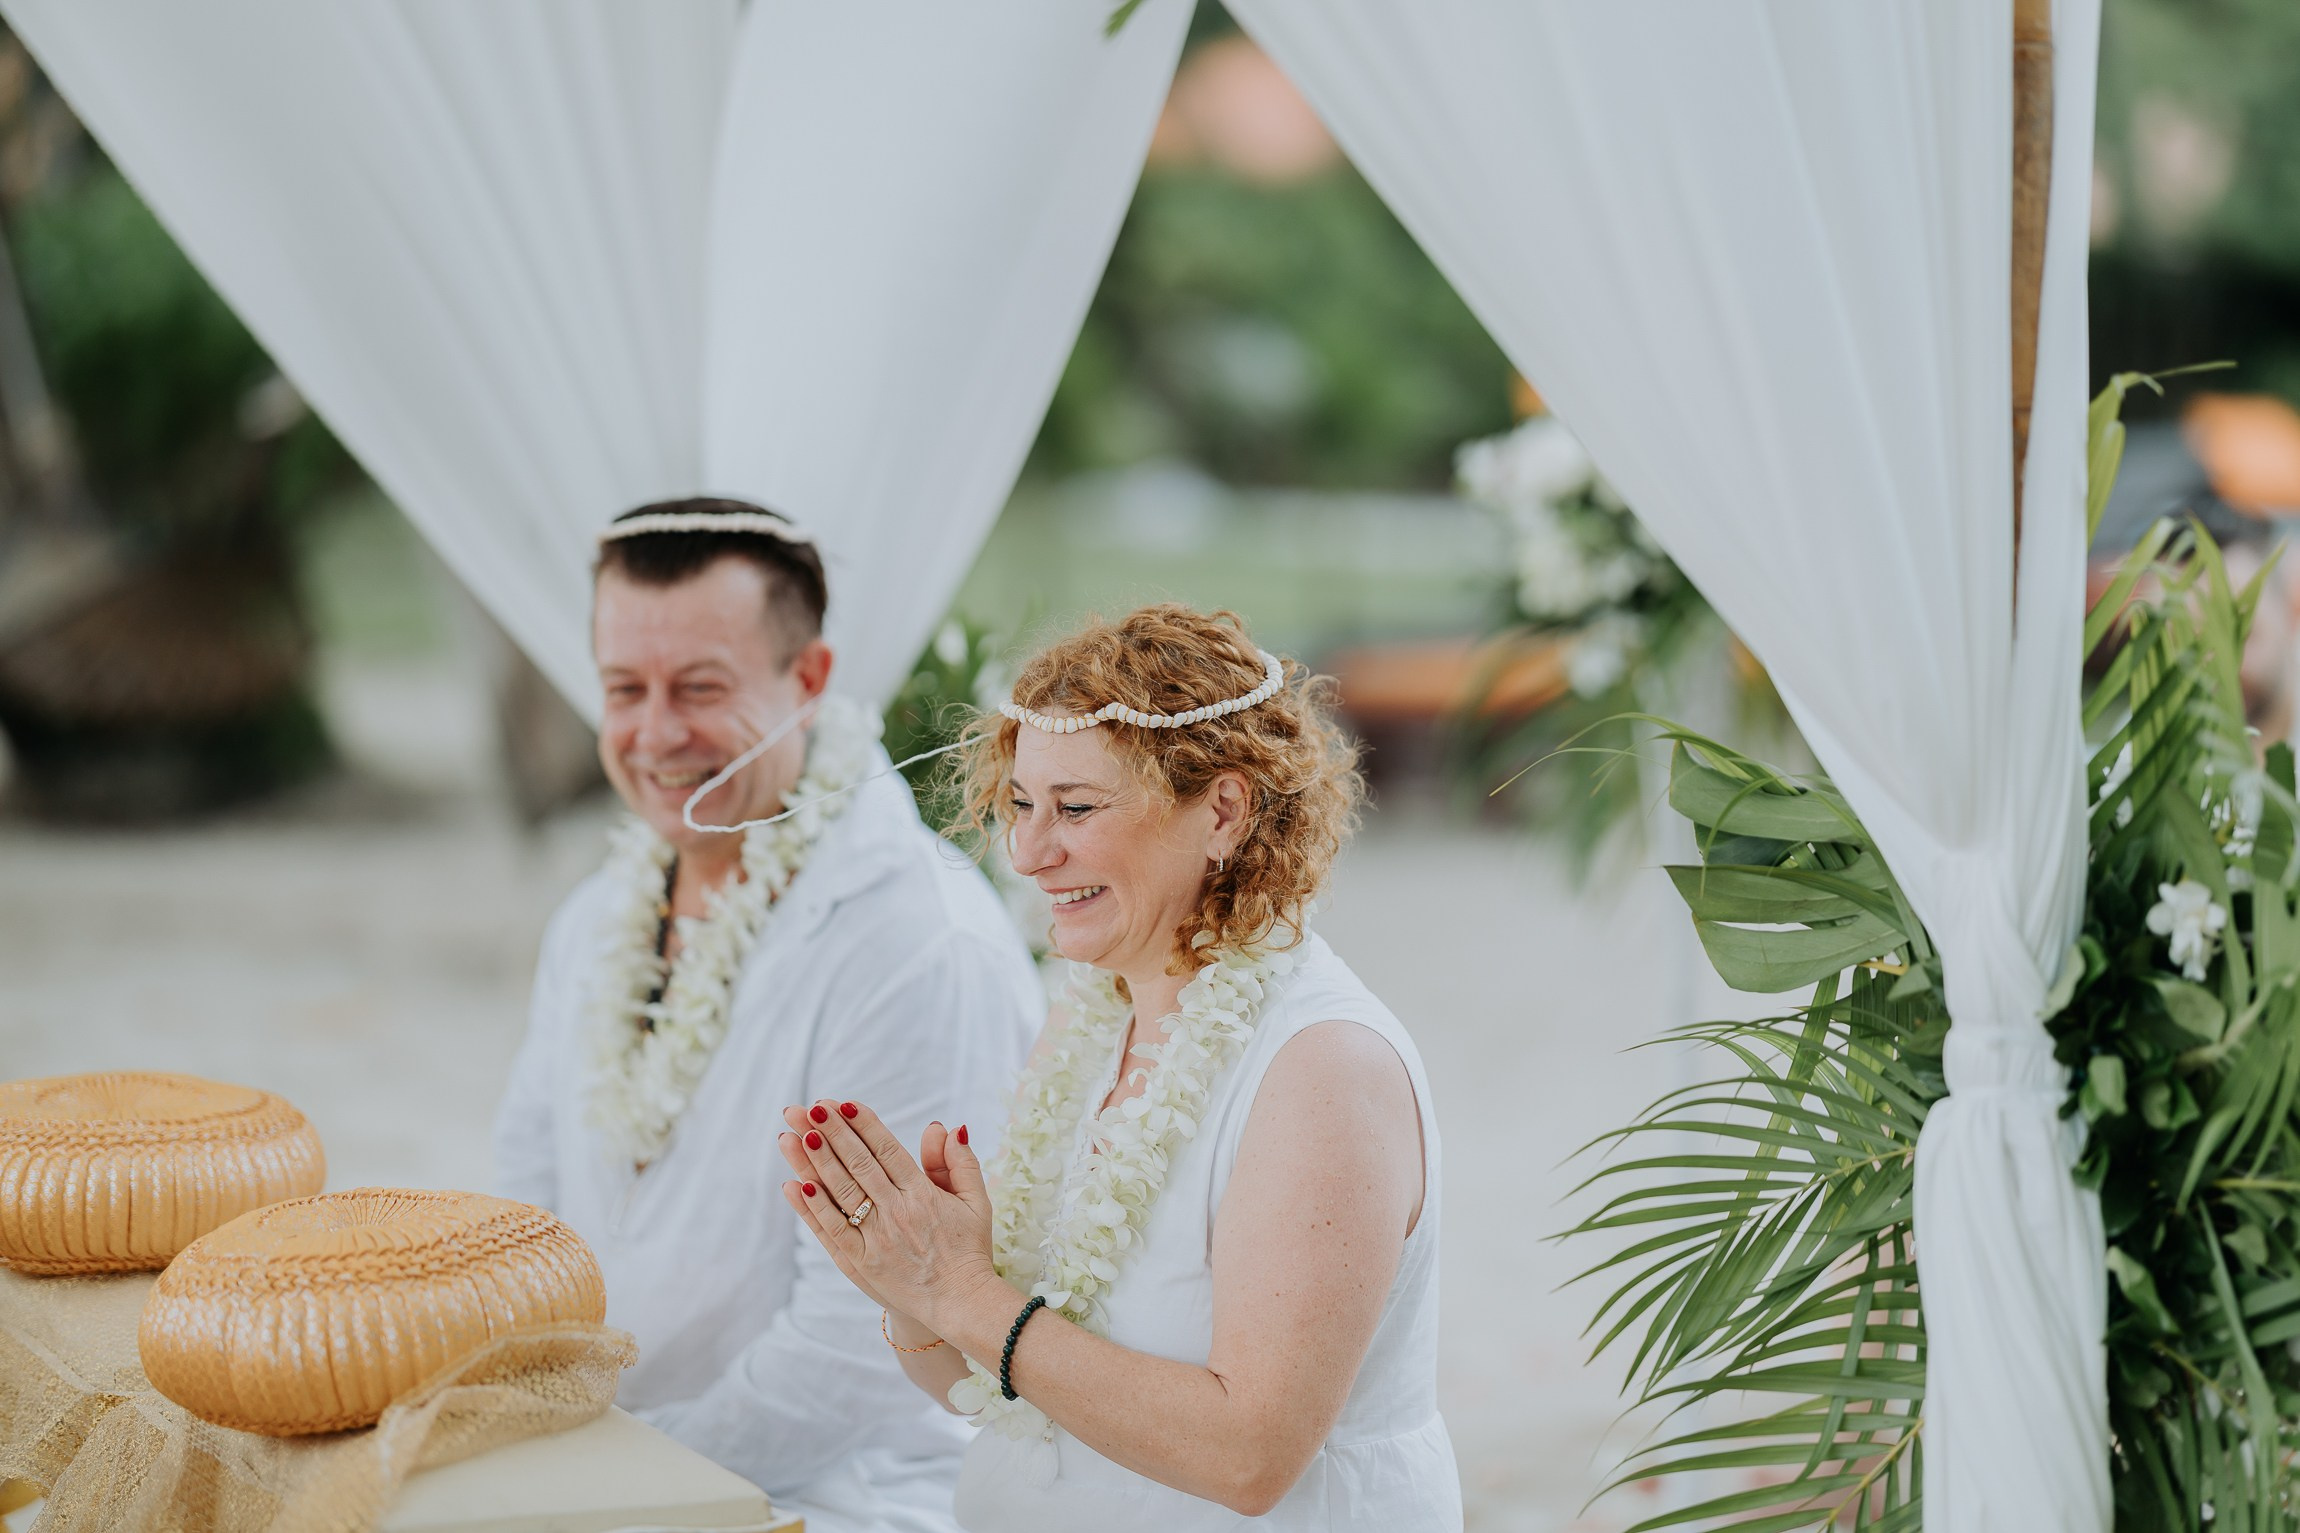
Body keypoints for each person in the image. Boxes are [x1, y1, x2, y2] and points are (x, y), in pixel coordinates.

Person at [777, 604, 1461, 1530]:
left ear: (1223, 809)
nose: (1027, 850)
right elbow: (1001, 1394)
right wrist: (911, 1289)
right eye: (1022, 802)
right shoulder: (1097, 1021)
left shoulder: (1323, 1069)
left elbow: (1250, 1455)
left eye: (1078, 807)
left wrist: (963, 1291)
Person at [492, 498, 1041, 1532]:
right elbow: (521, 1209)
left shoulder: (911, 946)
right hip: (595, 1465)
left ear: (810, 680)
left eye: (699, 688)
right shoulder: (598, 914)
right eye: (623, 689)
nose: (655, 735)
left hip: (834, 1498)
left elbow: (861, 1349)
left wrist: (604, 1488)